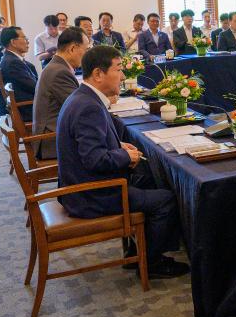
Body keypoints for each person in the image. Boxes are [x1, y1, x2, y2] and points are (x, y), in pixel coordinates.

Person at [56, 45, 189, 279]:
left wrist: (118, 146)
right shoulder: (88, 107)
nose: (123, 76)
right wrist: (126, 156)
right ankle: (151, 263)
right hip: (90, 194)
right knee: (166, 200)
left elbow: (90, 145)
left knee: (151, 178)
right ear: (98, 74)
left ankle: (137, 251)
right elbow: (94, 159)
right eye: (118, 69)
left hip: (82, 184)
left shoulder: (83, 97)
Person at [32, 27, 84, 159]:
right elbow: (80, 108)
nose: (86, 55)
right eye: (85, 49)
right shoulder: (59, 72)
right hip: (52, 140)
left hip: (54, 131)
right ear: (72, 49)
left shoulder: (56, 66)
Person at [0, 26, 39, 122]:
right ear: (13, 42)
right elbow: (35, 87)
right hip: (28, 108)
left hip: (29, 104)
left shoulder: (11, 59)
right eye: (24, 38)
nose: (27, 41)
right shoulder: (13, 62)